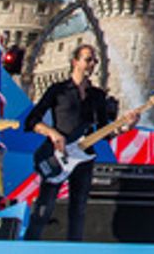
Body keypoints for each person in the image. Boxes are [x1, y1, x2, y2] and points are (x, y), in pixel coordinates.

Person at [23, 44, 135, 241]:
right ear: (75, 62)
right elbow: (32, 121)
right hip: (57, 154)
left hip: (84, 157)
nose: (92, 64)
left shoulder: (97, 96)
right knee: (44, 207)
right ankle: (30, 247)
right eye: (88, 59)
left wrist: (124, 127)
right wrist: (52, 133)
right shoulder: (58, 91)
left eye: (94, 61)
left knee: (79, 209)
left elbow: (103, 131)